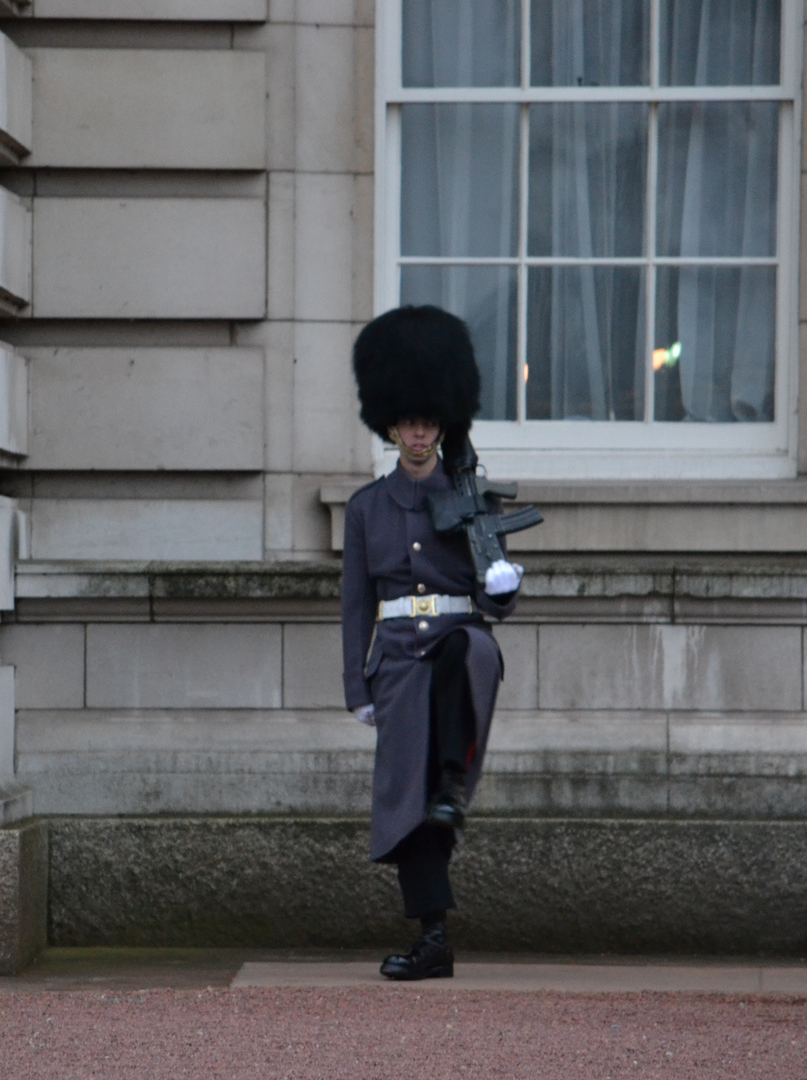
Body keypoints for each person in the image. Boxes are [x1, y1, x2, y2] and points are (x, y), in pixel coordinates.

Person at [340, 305, 523, 981]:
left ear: (440, 425)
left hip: (456, 643)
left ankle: (453, 780)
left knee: (465, 653)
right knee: (408, 805)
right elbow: (356, 603)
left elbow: (496, 601)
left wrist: (502, 583)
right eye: (408, 422)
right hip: (395, 661)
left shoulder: (472, 498)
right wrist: (355, 686)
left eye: (428, 422)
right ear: (391, 426)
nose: (418, 433)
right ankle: (434, 937)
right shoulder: (366, 508)